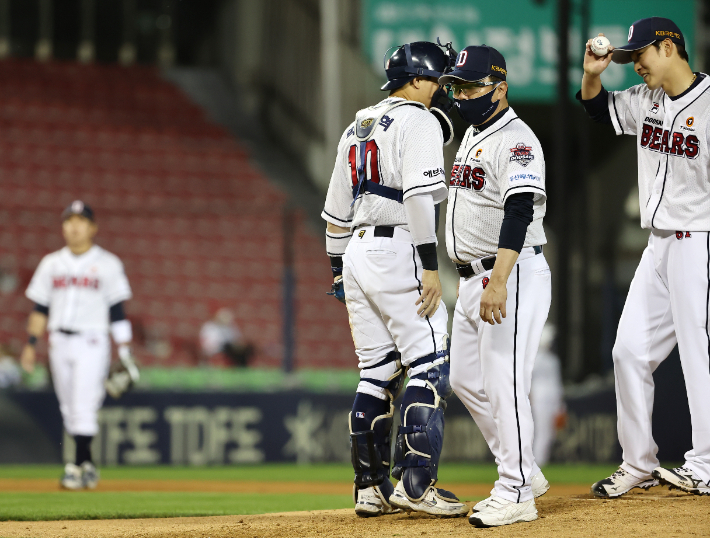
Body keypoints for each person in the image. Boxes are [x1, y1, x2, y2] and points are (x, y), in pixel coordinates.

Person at [322, 40, 468, 518]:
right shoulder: (419, 119)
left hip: (358, 252)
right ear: (419, 80)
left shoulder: (357, 123)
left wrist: (339, 270)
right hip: (397, 246)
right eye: (440, 79)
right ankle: (416, 484)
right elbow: (420, 201)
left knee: (376, 373)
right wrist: (429, 265)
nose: (443, 87)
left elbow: (335, 218)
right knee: (429, 365)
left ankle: (370, 487)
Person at [578, 17, 710, 498]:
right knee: (628, 351)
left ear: (670, 46)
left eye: (641, 54)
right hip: (657, 244)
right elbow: (597, 110)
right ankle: (639, 462)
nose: (635, 64)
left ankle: (707, 464)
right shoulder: (645, 100)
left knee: (698, 353)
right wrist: (593, 73)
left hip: (699, 239)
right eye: (630, 56)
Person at [442, 45, 552, 527]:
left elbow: (520, 209)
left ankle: (516, 489)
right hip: (470, 279)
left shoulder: (518, 139)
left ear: (500, 88)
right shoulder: (472, 133)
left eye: (470, 86)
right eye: (457, 86)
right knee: (466, 379)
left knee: (506, 385)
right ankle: (524, 464)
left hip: (508, 274)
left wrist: (499, 281)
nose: (461, 94)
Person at [20, 200, 137, 490]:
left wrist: (124, 350)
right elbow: (40, 308)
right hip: (59, 340)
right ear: (63, 227)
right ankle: (88, 464)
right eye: (69, 221)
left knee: (84, 403)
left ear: (92, 228)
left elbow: (117, 311)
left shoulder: (108, 263)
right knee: (69, 407)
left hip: (93, 340)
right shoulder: (51, 263)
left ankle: (74, 467)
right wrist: (31, 344)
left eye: (80, 221)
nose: (74, 226)